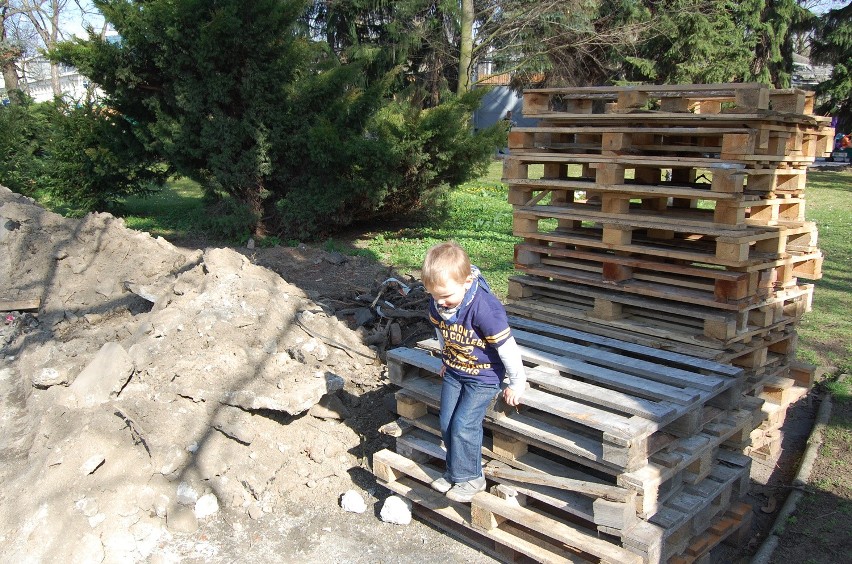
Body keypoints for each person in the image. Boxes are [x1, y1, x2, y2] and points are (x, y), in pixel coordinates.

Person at [421, 241, 527, 502]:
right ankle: (455, 472)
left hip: (484, 376)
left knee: (463, 425)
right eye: (434, 296)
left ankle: (472, 478)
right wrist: (446, 355)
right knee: (447, 423)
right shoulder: (438, 305)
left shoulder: (485, 310)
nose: (441, 303)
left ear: (467, 282)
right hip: (456, 370)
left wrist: (517, 383)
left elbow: (508, 348)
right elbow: (441, 331)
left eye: (446, 296)